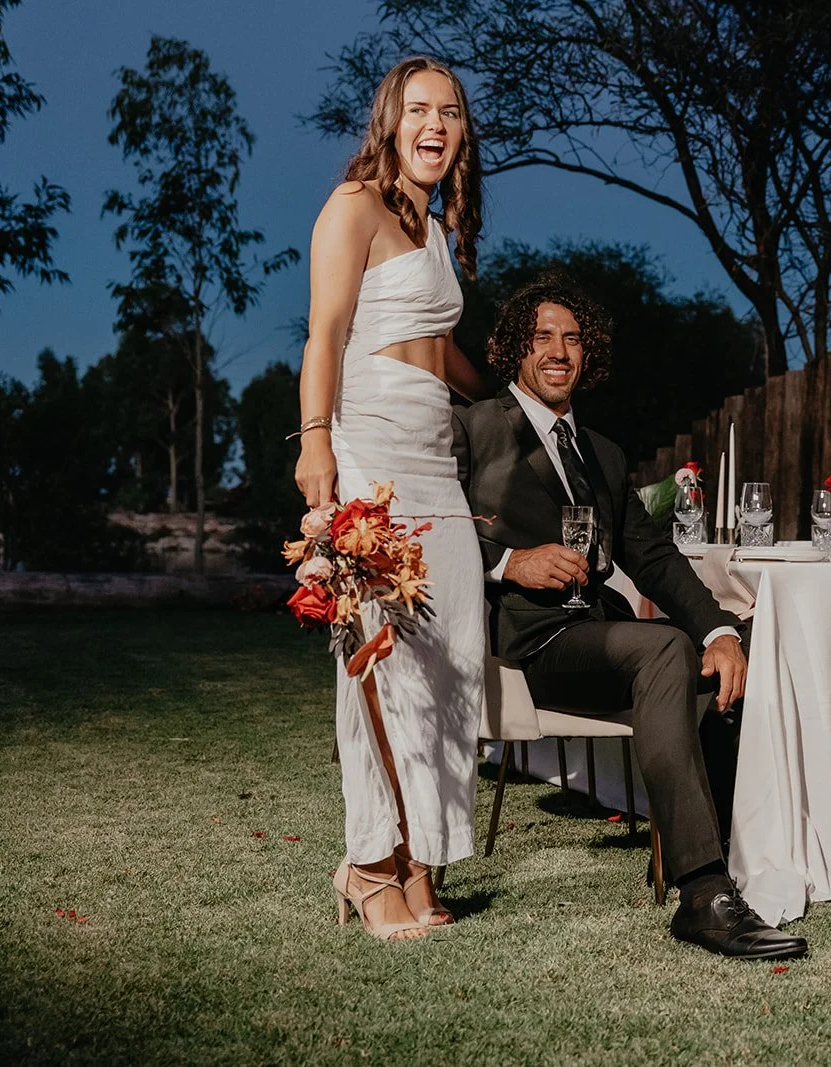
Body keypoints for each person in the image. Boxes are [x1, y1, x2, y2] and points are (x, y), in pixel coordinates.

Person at [452, 275, 808, 960]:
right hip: (535, 643)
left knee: (748, 645)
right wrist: (508, 562)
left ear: (589, 354)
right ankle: (703, 894)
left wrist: (723, 632)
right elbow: (433, 530)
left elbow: (657, 560)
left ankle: (746, 857)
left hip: (609, 635)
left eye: (573, 337)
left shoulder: (605, 455)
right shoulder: (476, 427)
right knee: (665, 650)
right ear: (517, 349)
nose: (560, 350)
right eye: (544, 336)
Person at [295, 56, 494, 940]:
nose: (436, 125)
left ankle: (420, 857)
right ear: (390, 121)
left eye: (450, 112)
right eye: (420, 109)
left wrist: (495, 397)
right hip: (371, 449)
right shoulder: (353, 208)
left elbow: (434, 345)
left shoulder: (437, 226)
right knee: (380, 658)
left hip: (435, 455)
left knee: (451, 657)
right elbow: (326, 335)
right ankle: (369, 862)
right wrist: (316, 448)